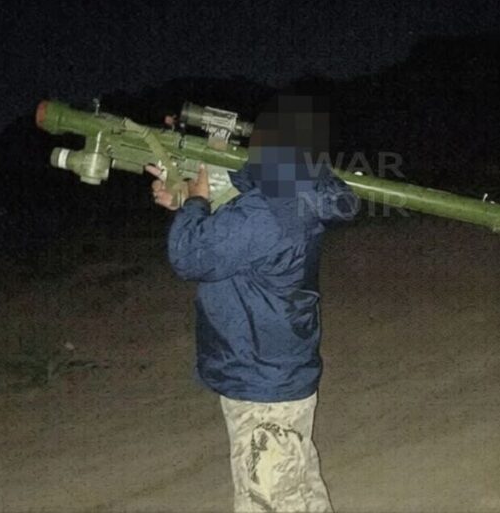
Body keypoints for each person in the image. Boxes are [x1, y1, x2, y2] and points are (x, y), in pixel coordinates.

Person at [146, 94, 359, 512]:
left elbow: (190, 256)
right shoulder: (293, 194)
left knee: (269, 499)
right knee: (296, 489)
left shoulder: (266, 211)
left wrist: (195, 203)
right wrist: (188, 194)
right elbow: (235, 206)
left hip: (261, 380)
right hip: (278, 373)